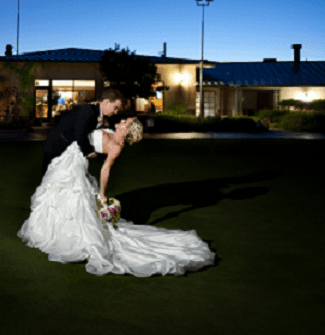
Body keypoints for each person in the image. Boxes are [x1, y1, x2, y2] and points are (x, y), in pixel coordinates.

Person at [18, 118, 216, 277]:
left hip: (74, 167)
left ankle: (66, 238)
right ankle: (53, 231)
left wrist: (102, 194)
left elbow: (105, 169)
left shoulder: (117, 145)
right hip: (70, 159)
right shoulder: (111, 132)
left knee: (73, 202)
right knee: (58, 198)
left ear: (127, 130)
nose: (121, 120)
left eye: (125, 121)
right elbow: (93, 149)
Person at [41, 89, 124, 177]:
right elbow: (80, 134)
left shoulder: (99, 113)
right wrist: (89, 152)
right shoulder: (88, 110)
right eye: (116, 107)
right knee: (49, 175)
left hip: (70, 146)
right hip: (58, 144)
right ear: (107, 101)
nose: (116, 111)